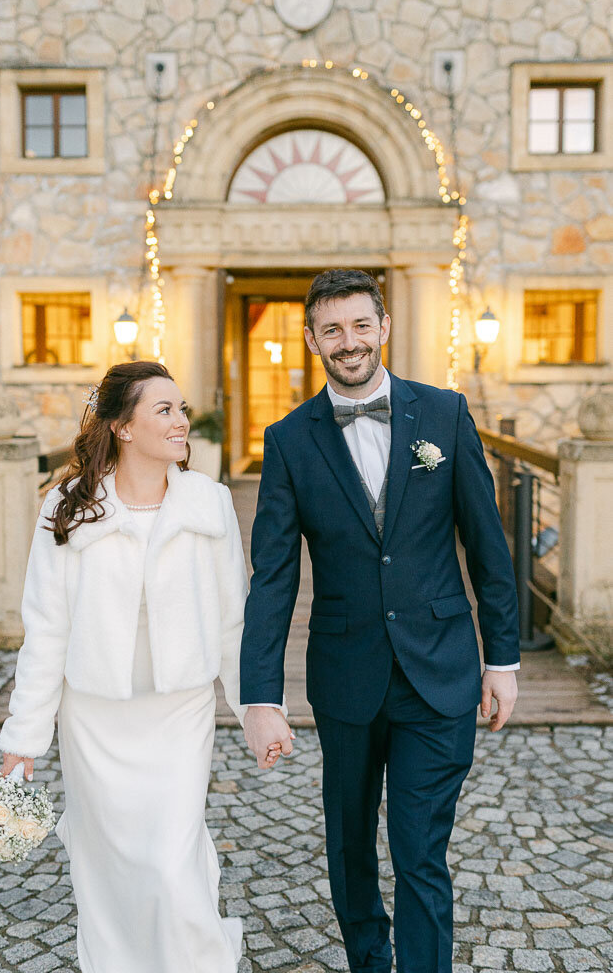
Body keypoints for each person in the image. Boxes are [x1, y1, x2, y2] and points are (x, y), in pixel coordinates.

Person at [240, 269, 520, 973]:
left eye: (360, 324)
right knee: (349, 846)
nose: (348, 341)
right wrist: (260, 697)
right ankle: (369, 960)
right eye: (331, 329)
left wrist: (503, 661)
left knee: (419, 845)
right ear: (310, 339)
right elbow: (273, 578)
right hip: (345, 677)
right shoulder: (287, 440)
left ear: (384, 327)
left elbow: (487, 546)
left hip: (441, 670)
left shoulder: (445, 414)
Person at [0, 360, 254, 973]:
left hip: (179, 711)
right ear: (123, 426)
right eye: (164, 410)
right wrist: (25, 737)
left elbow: (233, 621)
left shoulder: (210, 502)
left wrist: (255, 711)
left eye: (181, 408)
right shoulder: (68, 507)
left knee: (170, 857)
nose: (181, 421)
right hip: (95, 717)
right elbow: (47, 628)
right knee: (107, 859)